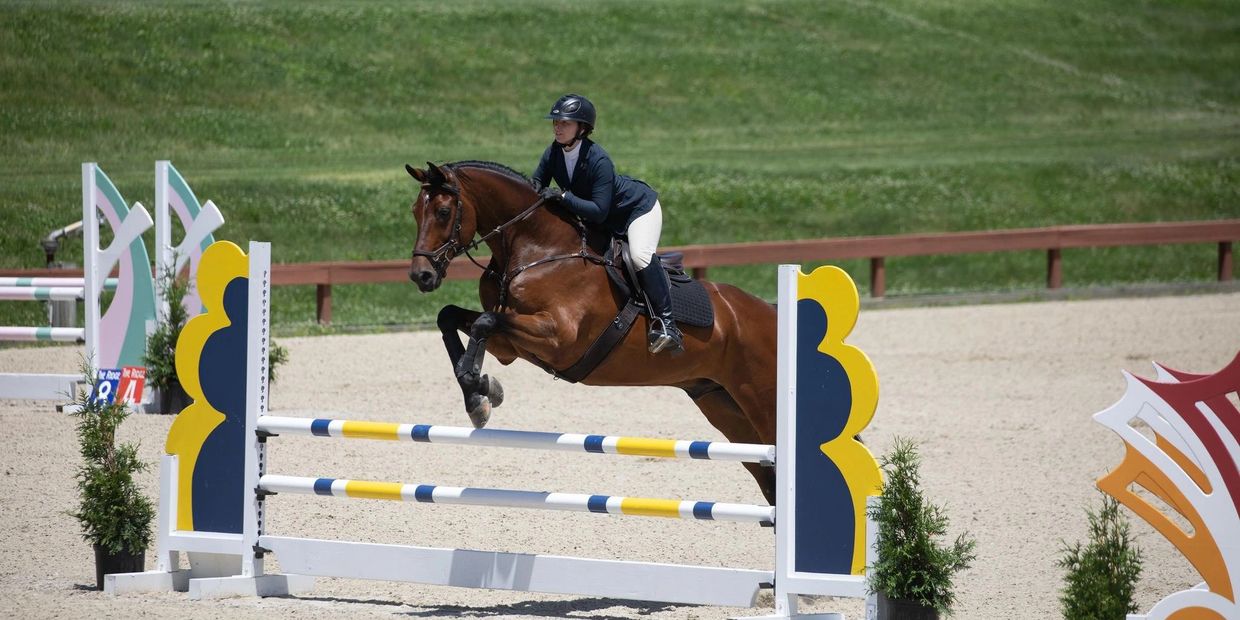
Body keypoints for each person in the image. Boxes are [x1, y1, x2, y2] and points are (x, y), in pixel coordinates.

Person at [530, 94, 683, 355]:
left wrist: (564, 196)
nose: (557, 126)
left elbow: (599, 212)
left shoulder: (598, 159)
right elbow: (535, 187)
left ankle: (668, 326)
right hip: (602, 217)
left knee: (639, 256)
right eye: (556, 121)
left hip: (636, 211)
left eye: (564, 123)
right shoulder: (553, 152)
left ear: (582, 128)